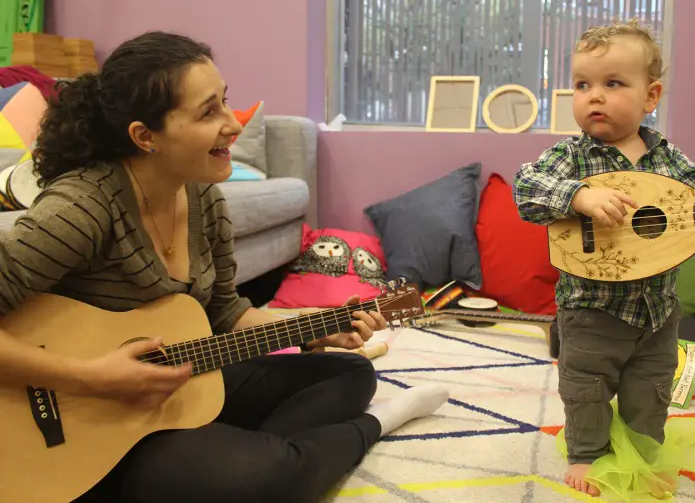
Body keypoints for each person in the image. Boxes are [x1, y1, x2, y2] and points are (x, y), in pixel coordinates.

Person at [0, 31, 449, 503]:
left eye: (225, 103)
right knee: (272, 475)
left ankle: (222, 458)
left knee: (349, 374)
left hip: (165, 392)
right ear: (145, 136)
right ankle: (368, 428)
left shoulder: (204, 199)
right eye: (208, 111)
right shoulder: (81, 206)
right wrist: (93, 377)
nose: (232, 124)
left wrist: (313, 329)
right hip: (72, 418)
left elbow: (224, 313)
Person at [513, 19, 695, 499]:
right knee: (586, 385)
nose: (593, 96)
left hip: (660, 308)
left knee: (652, 388)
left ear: (651, 95)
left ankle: (644, 453)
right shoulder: (572, 157)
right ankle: (587, 451)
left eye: (612, 83)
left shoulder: (670, 161)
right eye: (582, 85)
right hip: (590, 309)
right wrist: (578, 197)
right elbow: (526, 186)